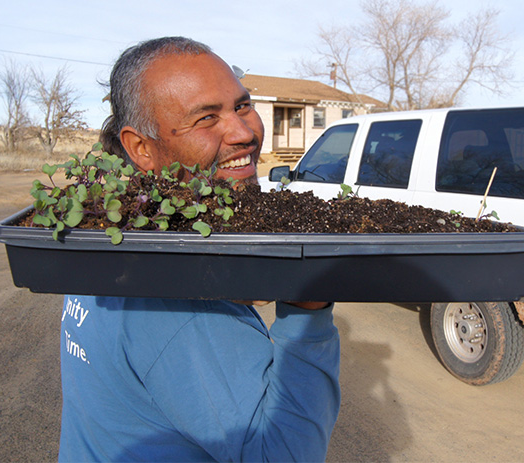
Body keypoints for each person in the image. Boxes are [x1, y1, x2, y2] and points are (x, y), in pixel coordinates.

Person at [58, 37, 341, 462]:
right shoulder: (178, 297)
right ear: (140, 148)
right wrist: (308, 308)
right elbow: (283, 454)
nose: (244, 132)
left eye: (242, 106)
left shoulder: (111, 241)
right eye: (206, 118)